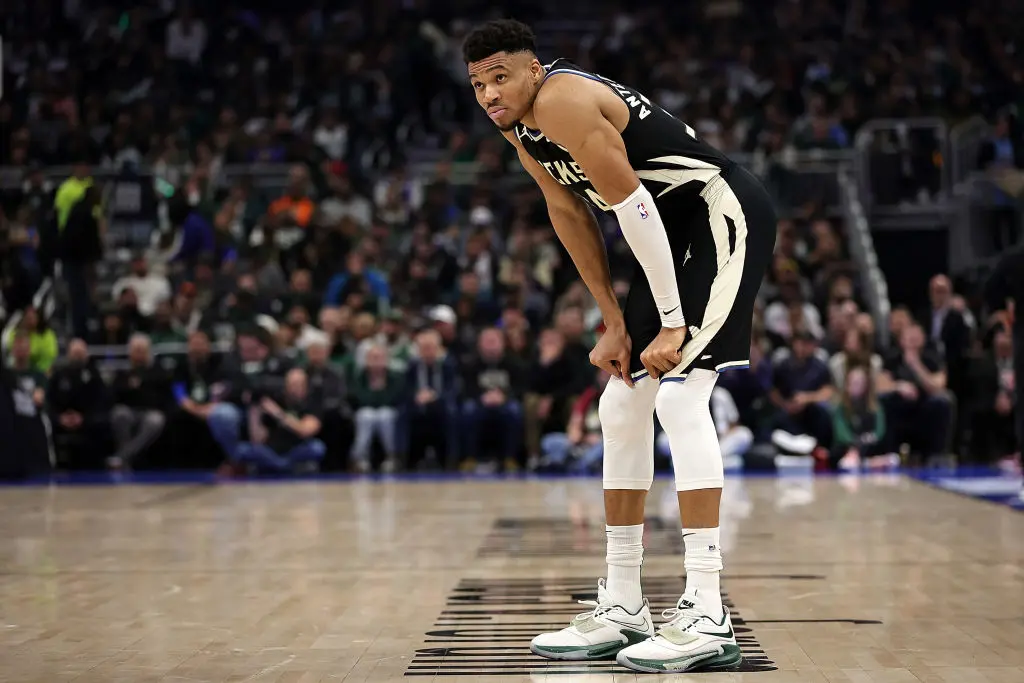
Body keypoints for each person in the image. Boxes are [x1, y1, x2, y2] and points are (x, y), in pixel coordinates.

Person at [463, 19, 777, 673]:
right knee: (621, 404)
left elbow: (633, 206)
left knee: (683, 400)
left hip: (719, 211)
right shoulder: (521, 131)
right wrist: (611, 318)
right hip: (668, 234)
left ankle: (706, 609)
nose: (490, 95)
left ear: (534, 70)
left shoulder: (561, 101)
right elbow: (569, 212)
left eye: (500, 77)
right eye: (477, 84)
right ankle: (626, 604)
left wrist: (668, 321)